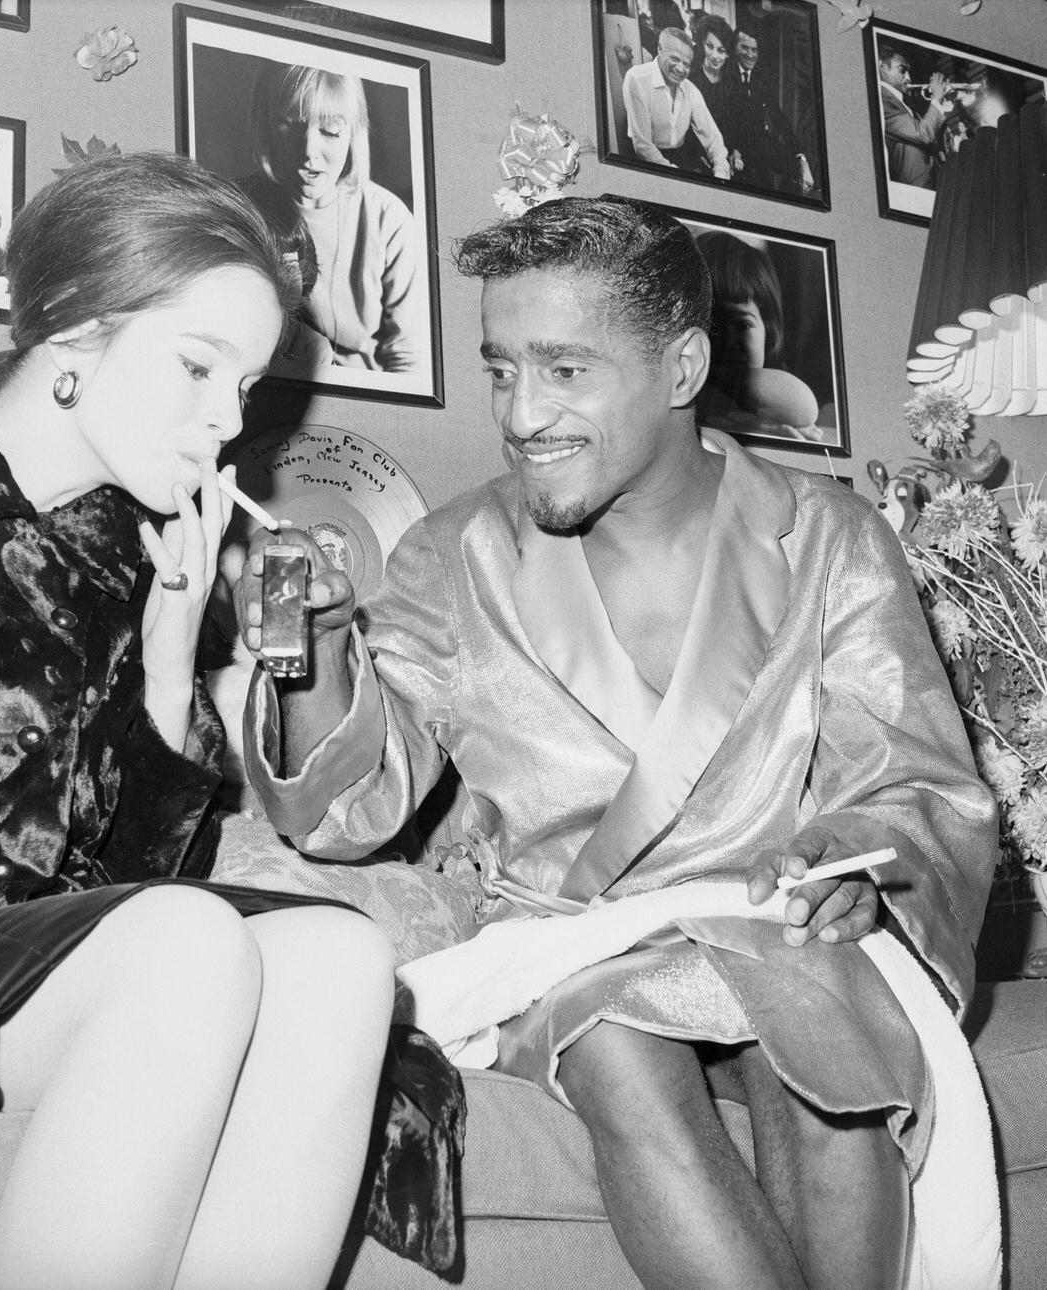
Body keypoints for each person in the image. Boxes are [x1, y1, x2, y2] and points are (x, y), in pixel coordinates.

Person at [234, 195, 997, 1290]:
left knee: (823, 1061)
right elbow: (343, 815)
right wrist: (307, 651)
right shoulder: (451, 556)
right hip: (572, 937)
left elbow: (917, 778)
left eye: (564, 370)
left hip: (777, 917)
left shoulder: (828, 536)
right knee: (619, 1055)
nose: (520, 414)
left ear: (681, 369)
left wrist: (852, 860)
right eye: (502, 369)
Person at [0, 152, 413, 1290]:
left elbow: (129, 876)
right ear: (69, 330)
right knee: (187, 941)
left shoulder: (131, 568)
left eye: (245, 387)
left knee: (341, 956)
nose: (226, 422)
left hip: (35, 973)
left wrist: (168, 649)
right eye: (199, 367)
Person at [240, 62, 426, 374]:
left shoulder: (388, 218)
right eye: (289, 125)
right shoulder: (240, 208)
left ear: (354, 135)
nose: (309, 150)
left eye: (330, 131)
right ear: (267, 126)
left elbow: (411, 360)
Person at [693, 229, 823, 441]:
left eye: (743, 324)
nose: (728, 341)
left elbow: (804, 407)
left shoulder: (777, 396)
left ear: (768, 331)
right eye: (712, 323)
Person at [622, 28, 731, 178]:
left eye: (686, 64)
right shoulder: (636, 78)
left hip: (681, 159)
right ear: (660, 49)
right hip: (644, 164)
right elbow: (642, 146)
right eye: (674, 59)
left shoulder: (691, 90)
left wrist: (721, 172)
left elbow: (714, 139)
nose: (680, 68)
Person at [724, 25, 816, 196]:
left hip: (758, 145)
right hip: (731, 147)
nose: (751, 55)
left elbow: (779, 118)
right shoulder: (725, 74)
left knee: (794, 172)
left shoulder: (761, 77)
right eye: (745, 48)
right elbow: (721, 118)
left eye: (754, 50)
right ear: (734, 48)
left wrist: (801, 158)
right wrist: (732, 148)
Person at [877, 45, 951, 188]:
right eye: (902, 70)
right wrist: (936, 98)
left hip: (928, 183)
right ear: (882, 67)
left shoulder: (903, 102)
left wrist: (942, 103)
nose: (909, 78)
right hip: (913, 186)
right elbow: (923, 134)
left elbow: (931, 139)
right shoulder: (883, 99)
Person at [687, 14, 738, 160]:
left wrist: (735, 150)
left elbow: (735, 122)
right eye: (710, 46)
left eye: (721, 50)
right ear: (702, 43)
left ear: (728, 53)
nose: (715, 56)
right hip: (695, 152)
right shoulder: (691, 76)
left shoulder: (732, 81)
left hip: (725, 153)